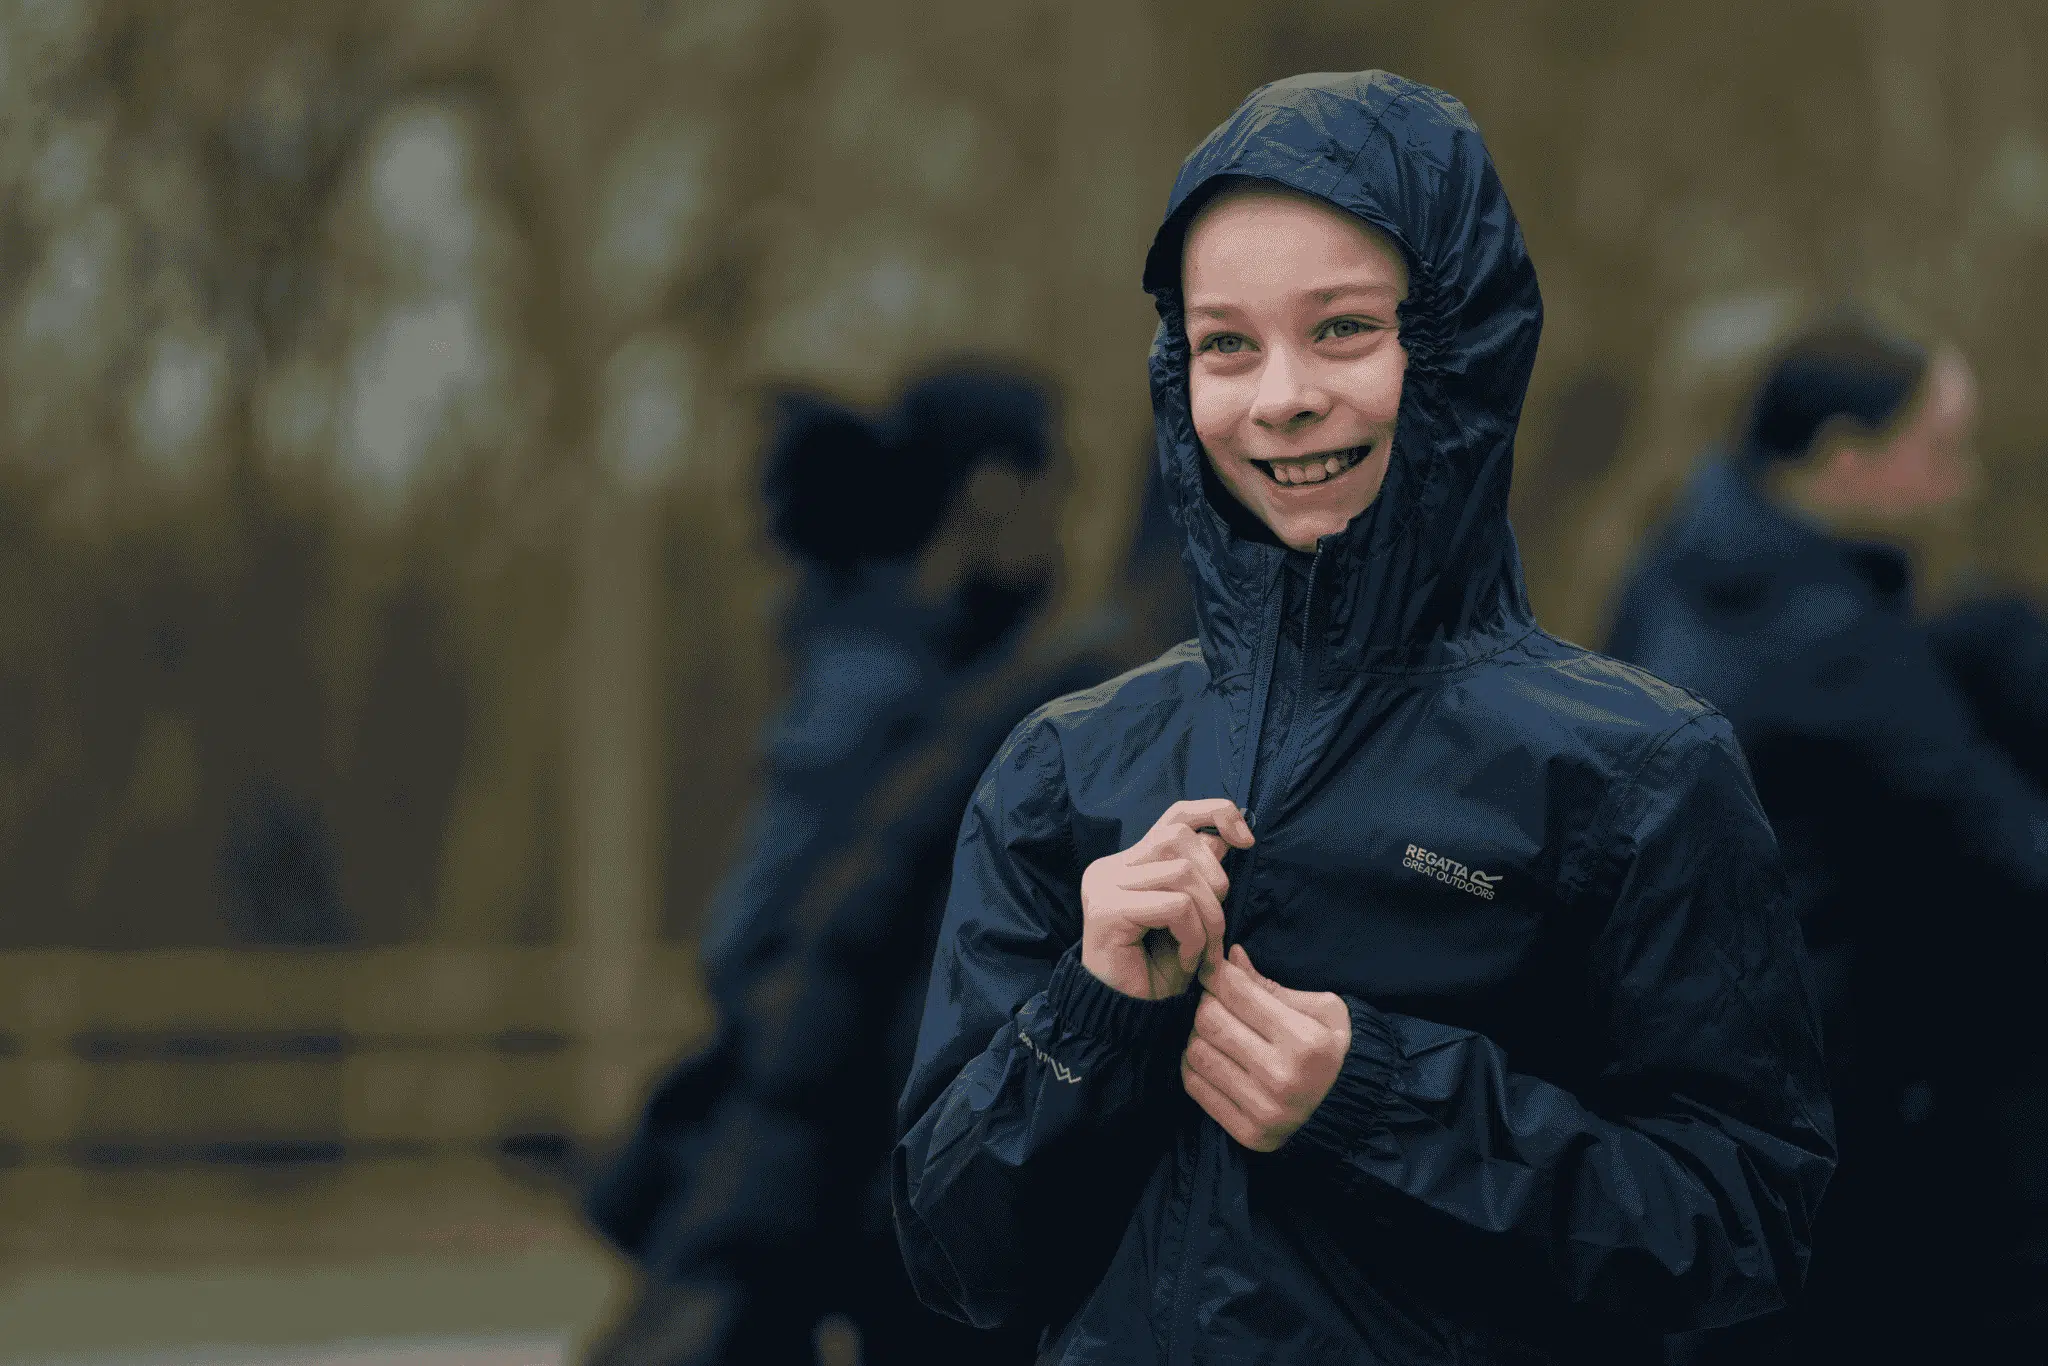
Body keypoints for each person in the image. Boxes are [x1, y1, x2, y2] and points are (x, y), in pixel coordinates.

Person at [893, 71, 1834, 1366]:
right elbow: (952, 1255)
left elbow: (1751, 1225)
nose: (1279, 396)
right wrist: (1087, 1012)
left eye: (1341, 329)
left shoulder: (1634, 766)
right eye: (1227, 342)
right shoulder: (1066, 763)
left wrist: (1389, 1102)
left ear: (1457, 347)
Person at [580, 364, 1179, 1365]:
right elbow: (776, 941)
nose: (1067, 530)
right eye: (1057, 489)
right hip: (845, 1167)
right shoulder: (894, 696)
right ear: (995, 492)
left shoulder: (942, 677)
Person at [1606, 318, 2048, 1357]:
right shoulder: (1828, 642)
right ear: (1845, 456)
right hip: (1830, 1092)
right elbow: (2004, 839)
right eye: (1940, 448)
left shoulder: (1685, 554)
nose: (1963, 478)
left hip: (1684, 1061)